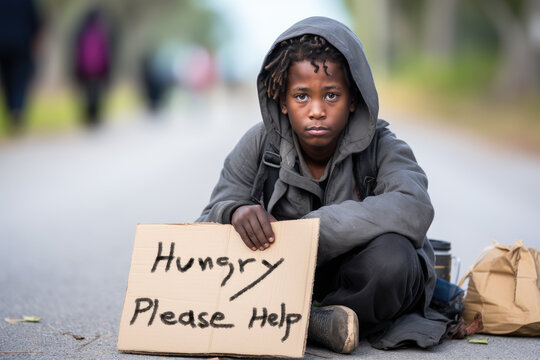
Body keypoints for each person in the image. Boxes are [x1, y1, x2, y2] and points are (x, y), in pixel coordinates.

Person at [197, 17, 449, 353]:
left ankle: (307, 320)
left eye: (332, 95)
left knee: (395, 260)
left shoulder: (382, 145)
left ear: (354, 99)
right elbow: (206, 220)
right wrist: (235, 211)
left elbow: (414, 207)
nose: (317, 110)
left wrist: (317, 229)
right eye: (302, 96)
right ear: (282, 101)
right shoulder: (260, 145)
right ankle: (313, 323)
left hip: (360, 283)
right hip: (284, 281)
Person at [0, 0, 42, 133]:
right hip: (22, 45)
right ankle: (17, 109)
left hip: (3, 44)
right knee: (20, 80)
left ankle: (12, 110)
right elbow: (35, 21)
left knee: (7, 81)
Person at [72, 6, 114, 126]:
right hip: (99, 68)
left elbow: (76, 51)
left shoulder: (81, 30)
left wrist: (76, 70)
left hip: (84, 68)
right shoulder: (102, 32)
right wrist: (107, 70)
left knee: (87, 92)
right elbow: (106, 52)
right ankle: (96, 115)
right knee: (97, 91)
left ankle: (88, 114)